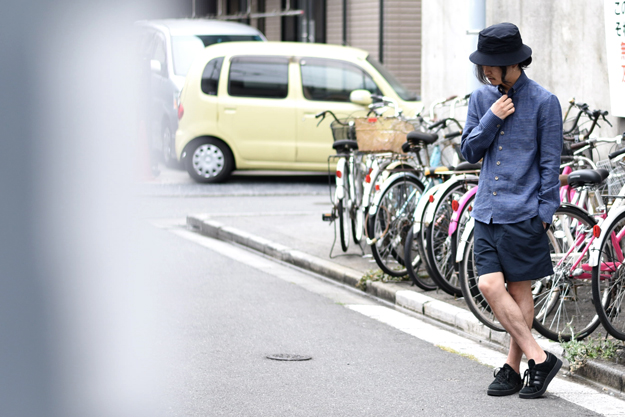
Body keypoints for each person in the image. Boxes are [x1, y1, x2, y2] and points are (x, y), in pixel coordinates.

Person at [460, 22, 563, 399]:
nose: (487, 72)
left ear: (513, 63)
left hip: (524, 212)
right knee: (489, 285)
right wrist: (493, 116)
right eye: (484, 66)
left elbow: (551, 163)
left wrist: (544, 211)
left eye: (492, 65)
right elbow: (469, 151)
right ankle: (540, 357)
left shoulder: (544, 102)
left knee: (519, 291)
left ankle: (513, 368)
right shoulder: (481, 99)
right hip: (486, 209)